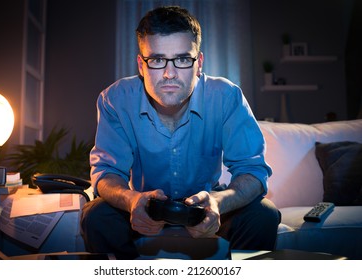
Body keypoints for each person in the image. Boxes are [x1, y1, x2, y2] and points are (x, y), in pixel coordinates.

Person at [81, 6, 281, 259]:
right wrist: (132, 200)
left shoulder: (227, 96)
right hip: (144, 202)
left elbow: (252, 171)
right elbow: (107, 172)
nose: (169, 73)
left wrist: (219, 202)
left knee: (263, 214)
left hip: (207, 201)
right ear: (141, 65)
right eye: (156, 59)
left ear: (198, 63)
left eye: (183, 59)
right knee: (96, 216)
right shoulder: (115, 100)